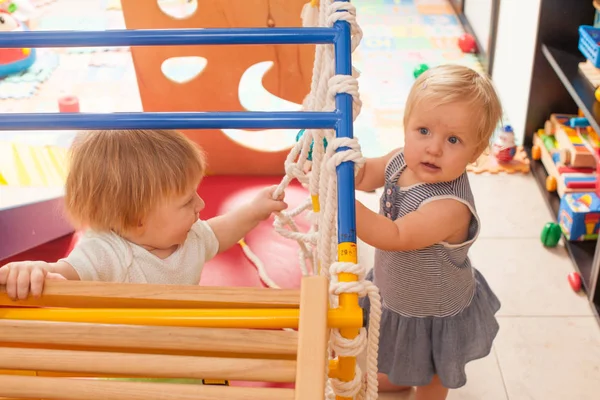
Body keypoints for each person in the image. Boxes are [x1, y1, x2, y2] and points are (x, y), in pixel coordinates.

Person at [354, 64, 503, 400]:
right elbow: (366, 176)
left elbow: (394, 235)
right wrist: (343, 165)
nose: (434, 148)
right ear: (405, 127)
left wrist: (343, 204)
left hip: (433, 308)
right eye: (423, 131)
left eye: (453, 140)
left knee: (433, 369)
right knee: (398, 346)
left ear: (476, 153)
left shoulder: (449, 207)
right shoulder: (400, 161)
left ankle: (425, 392)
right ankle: (401, 377)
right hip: (397, 290)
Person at [0, 129, 287, 300]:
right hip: (130, 355)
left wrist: (254, 211)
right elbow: (62, 274)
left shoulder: (189, 236)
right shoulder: (105, 252)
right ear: (137, 219)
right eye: (187, 201)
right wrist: (33, 270)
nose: (201, 205)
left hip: (183, 341)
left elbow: (219, 233)